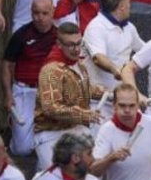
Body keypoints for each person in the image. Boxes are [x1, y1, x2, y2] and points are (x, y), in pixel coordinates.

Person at [33, 22, 102, 170]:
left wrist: (111, 93)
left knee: (91, 170)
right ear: (59, 44)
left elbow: (83, 89)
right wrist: (84, 114)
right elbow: (51, 108)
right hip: (51, 134)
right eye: (70, 45)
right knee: (55, 179)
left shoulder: (79, 66)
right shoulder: (51, 71)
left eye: (79, 43)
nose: (76, 49)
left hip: (75, 129)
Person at [1, 0, 56, 157]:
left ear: (52, 12)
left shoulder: (59, 36)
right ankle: (18, 135)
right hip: (24, 92)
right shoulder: (21, 35)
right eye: (35, 13)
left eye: (44, 13)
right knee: (21, 150)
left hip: (49, 93)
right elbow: (6, 64)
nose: (39, 18)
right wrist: (8, 95)